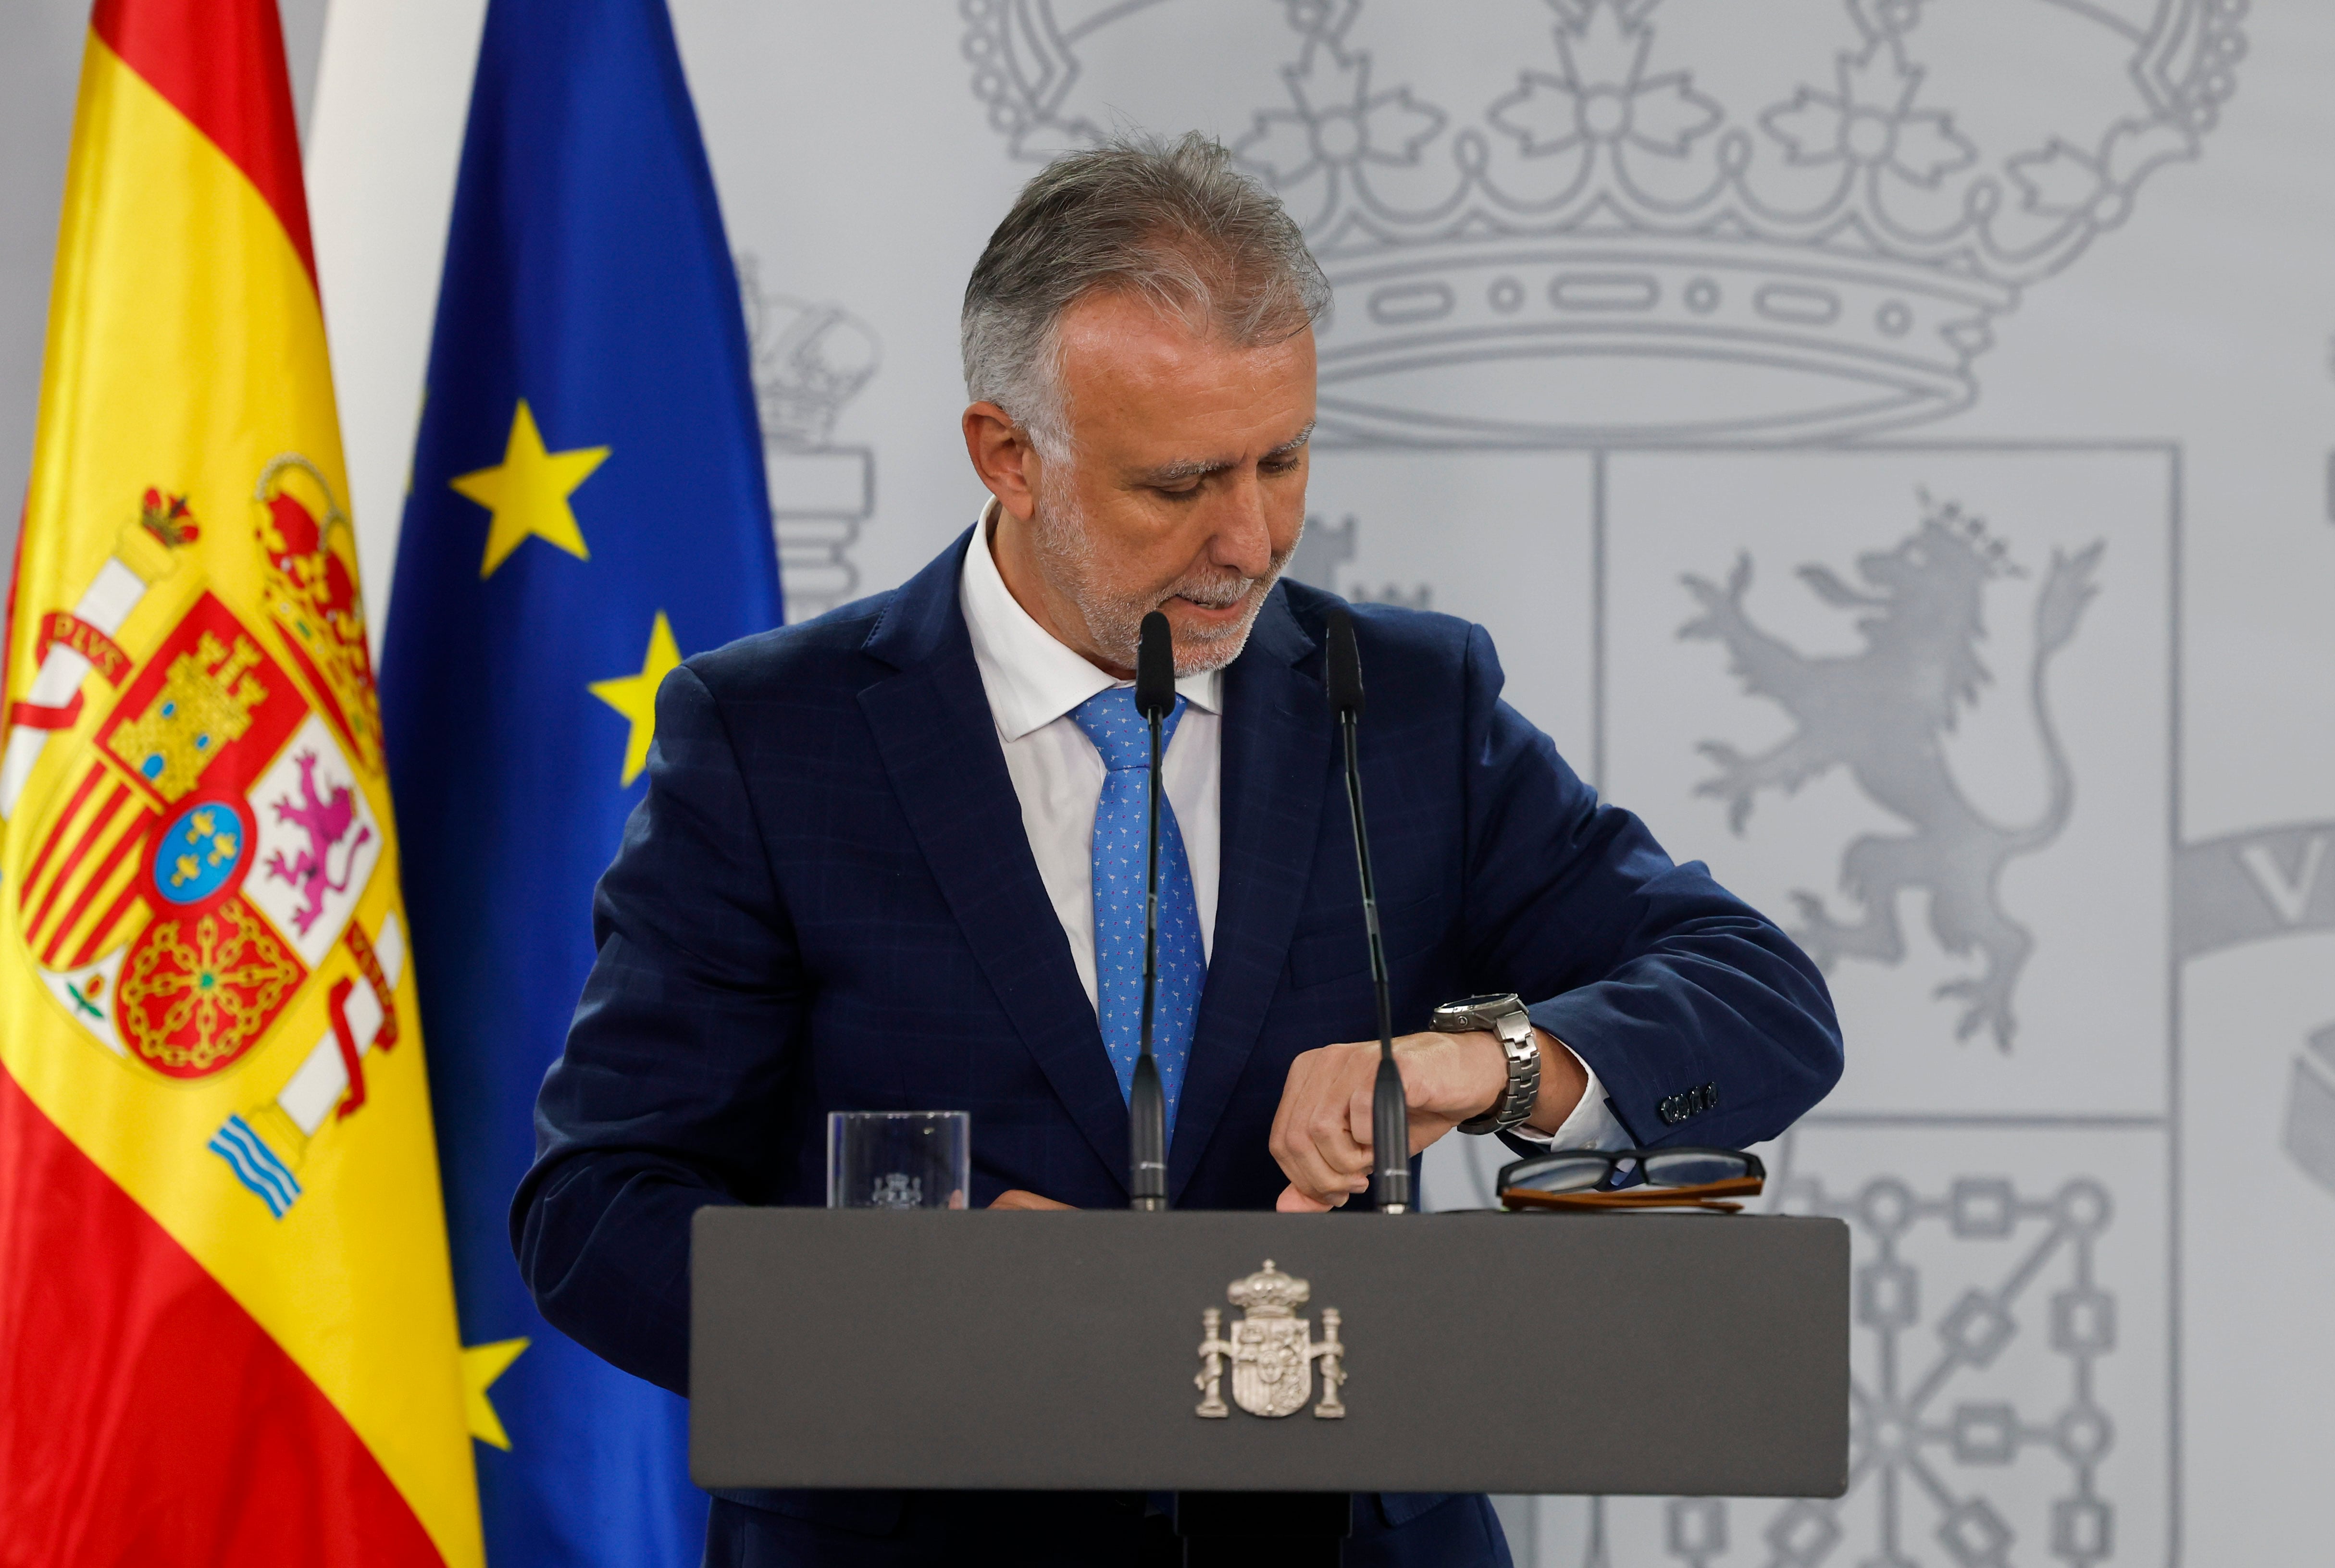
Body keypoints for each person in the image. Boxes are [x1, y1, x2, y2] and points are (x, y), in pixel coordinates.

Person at [514, 131, 1842, 1566]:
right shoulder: (772, 738)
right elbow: (597, 1210)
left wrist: (1490, 1062)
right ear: (1009, 455)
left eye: (1285, 459)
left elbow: (1760, 999)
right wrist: (897, 1295)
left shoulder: (1399, 704)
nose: (1253, 538)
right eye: (1180, 484)